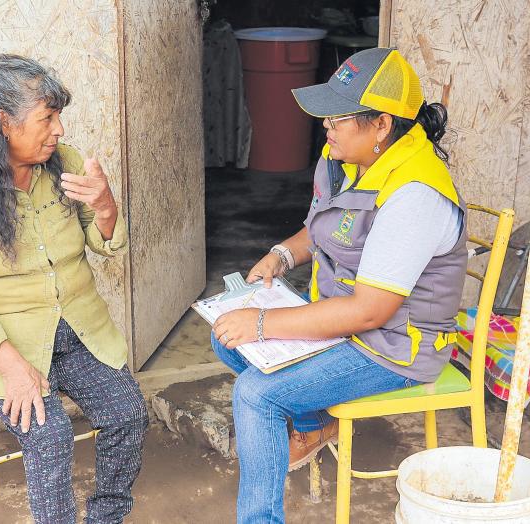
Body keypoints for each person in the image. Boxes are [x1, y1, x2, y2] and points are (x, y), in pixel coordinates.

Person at [210, 47, 467, 523]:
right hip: (348, 324)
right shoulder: (346, 160)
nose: (325, 127)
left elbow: (370, 311)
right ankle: (314, 424)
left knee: (256, 393)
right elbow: (322, 229)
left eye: (338, 118)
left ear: (382, 125)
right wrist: (281, 255)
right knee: (226, 335)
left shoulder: (414, 195)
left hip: (393, 346)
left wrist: (264, 322)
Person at [0, 54, 148, 524]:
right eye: (47, 118)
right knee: (50, 435)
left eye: (58, 117)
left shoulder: (65, 164)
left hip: (78, 332)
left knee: (128, 413)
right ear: (4, 123)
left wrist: (106, 206)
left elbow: (105, 243)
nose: (59, 130)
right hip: (2, 346)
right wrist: (14, 369)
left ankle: (106, 517)